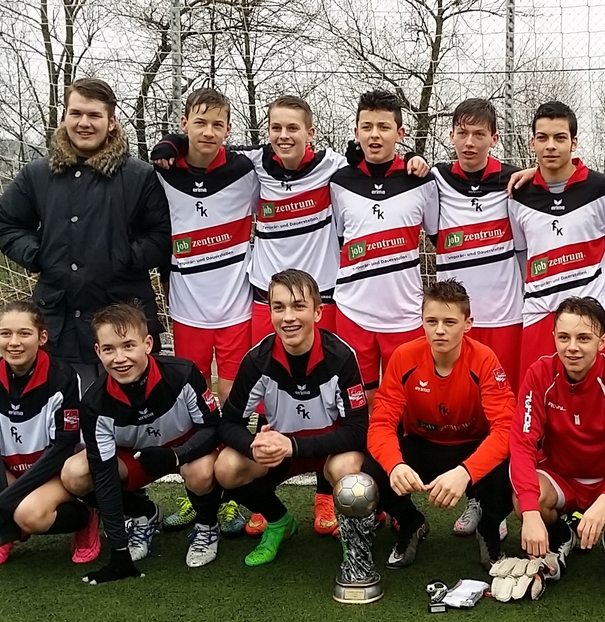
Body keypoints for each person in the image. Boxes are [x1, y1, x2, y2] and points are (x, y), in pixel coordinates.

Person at [151, 94, 429, 537]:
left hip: (323, 301)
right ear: (266, 133)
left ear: (310, 133)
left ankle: (326, 495)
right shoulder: (251, 166)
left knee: (328, 398)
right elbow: (206, 144)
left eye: (293, 128)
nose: (284, 136)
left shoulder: (334, 168)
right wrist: (170, 142)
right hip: (266, 300)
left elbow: (375, 157)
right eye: (276, 128)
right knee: (267, 397)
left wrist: (413, 157)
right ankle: (253, 496)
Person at [0, 78, 170, 385]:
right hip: (59, 320)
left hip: (124, 319)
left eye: (94, 115)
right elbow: (6, 223)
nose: (84, 123)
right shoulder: (37, 174)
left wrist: (125, 256)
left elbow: (162, 234)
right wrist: (38, 255)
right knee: (66, 409)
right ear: (65, 116)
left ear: (111, 122)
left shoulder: (140, 176)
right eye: (76, 113)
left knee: (131, 407)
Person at [153, 87, 254, 538]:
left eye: (217, 124)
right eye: (199, 122)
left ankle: (230, 497)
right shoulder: (163, 172)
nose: (208, 131)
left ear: (229, 128)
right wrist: (168, 145)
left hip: (236, 310)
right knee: (190, 408)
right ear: (184, 123)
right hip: (187, 311)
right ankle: (197, 493)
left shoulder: (246, 171)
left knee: (232, 404)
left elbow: (291, 158)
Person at [215, 269, 368, 567]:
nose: (288, 317)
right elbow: (228, 423)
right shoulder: (257, 360)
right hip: (279, 452)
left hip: (330, 451)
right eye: (279, 307)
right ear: (270, 312)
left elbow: (358, 430)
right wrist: (252, 447)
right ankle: (279, 521)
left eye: (298, 306)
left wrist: (294, 446)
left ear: (318, 312)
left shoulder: (341, 357)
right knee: (227, 467)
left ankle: (353, 540)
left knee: (349, 471)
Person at [509, 297, 605, 585]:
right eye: (564, 337)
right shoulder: (540, 373)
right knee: (524, 499)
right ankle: (561, 537)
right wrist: (530, 513)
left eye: (583, 338)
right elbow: (522, 444)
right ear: (553, 337)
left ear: (602, 341)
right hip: (561, 478)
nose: (572, 347)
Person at [62, 303, 223, 582]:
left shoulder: (182, 374)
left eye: (128, 346)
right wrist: (119, 552)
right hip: (135, 458)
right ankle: (144, 514)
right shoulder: (93, 403)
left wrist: (177, 455)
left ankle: (207, 525)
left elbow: (213, 428)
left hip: (186, 451)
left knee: (200, 472)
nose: (120, 358)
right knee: (75, 474)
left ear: (147, 344)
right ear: (98, 351)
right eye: (109, 349)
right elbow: (103, 476)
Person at [363, 280, 515, 570]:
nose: (440, 330)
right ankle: (411, 522)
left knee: (514, 466)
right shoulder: (404, 357)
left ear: (468, 324)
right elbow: (381, 422)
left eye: (449, 322)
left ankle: (488, 527)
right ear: (422, 320)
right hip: (423, 445)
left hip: (473, 447)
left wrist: (466, 472)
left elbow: (506, 428)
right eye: (431, 321)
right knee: (372, 472)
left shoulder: (484, 359)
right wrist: (395, 465)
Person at [0, 301, 98, 568]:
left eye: (24, 333)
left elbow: (63, 446)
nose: (14, 342)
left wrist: (8, 500)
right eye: (6, 333)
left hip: (55, 471)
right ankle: (8, 534)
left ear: (42, 337)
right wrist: (1, 511)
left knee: (30, 514)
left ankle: (85, 519)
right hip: (11, 469)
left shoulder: (63, 378)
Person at [431, 97, 522, 539]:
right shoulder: (434, 180)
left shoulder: (515, 182)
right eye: (462, 133)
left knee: (501, 416)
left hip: (505, 319)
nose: (469, 142)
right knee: (464, 414)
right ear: (451, 135)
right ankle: (475, 497)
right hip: (454, 322)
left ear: (494, 139)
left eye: (479, 134)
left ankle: (497, 506)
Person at [330, 89, 439, 395]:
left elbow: (436, 236)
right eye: (366, 127)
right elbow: (339, 239)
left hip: (405, 313)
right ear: (356, 132)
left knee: (406, 399)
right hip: (353, 310)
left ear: (400, 133)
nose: (374, 135)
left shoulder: (422, 181)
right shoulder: (339, 182)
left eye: (383, 127)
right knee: (358, 400)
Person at [507, 101, 605, 373]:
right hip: (539, 316)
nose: (550, 146)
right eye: (542, 138)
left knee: (591, 396)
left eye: (559, 138)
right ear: (532, 143)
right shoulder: (518, 195)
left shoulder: (601, 189)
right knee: (538, 394)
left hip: (588, 318)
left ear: (574, 143)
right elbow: (522, 254)